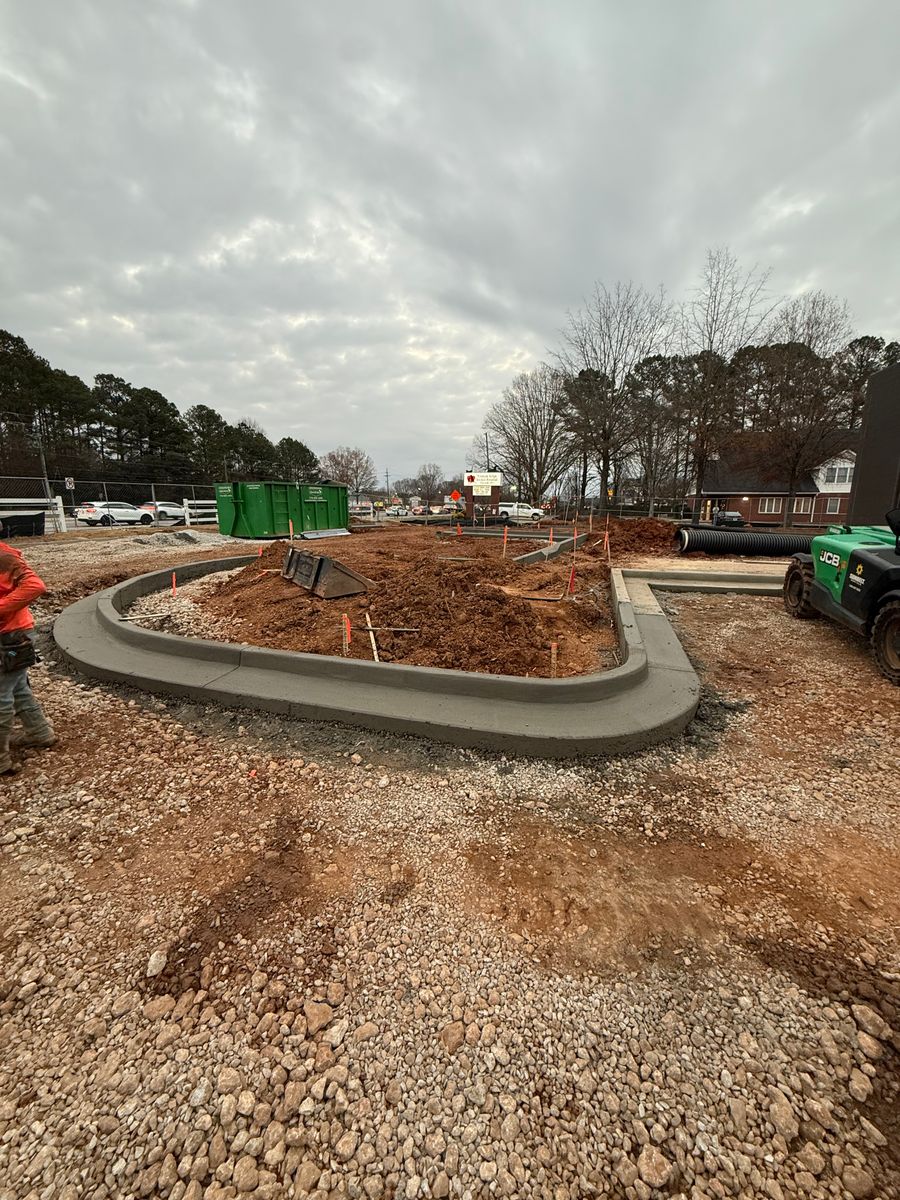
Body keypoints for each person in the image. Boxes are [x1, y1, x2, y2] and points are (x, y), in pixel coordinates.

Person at [0, 520, 56, 775]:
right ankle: (39, 733)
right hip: (12, 632)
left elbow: (35, 586)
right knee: (17, 686)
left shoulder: (4, 557)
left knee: (2, 694)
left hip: (9, 635)